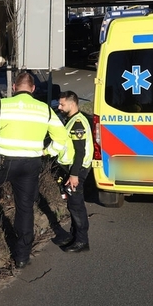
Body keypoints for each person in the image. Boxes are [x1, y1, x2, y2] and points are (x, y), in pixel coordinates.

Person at [0, 71, 69, 269]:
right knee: (25, 207)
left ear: (13, 88)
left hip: (2, 161)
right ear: (33, 89)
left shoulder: (2, 105)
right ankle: (22, 256)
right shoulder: (44, 110)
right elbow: (61, 137)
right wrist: (47, 152)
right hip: (30, 164)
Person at [56, 91, 92, 252]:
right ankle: (75, 235)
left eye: (62, 104)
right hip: (73, 169)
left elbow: (80, 151)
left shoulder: (77, 123)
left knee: (76, 206)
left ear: (72, 104)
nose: (59, 107)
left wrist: (74, 174)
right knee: (72, 204)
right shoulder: (71, 120)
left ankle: (82, 241)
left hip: (77, 170)